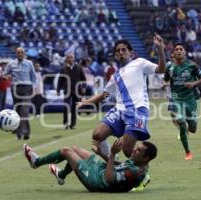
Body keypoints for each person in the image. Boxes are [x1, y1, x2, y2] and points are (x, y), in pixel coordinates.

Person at [77, 34, 166, 190]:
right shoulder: (115, 76)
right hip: (119, 110)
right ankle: (114, 161)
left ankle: (143, 174)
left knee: (128, 150)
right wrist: (87, 102)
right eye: (118, 51)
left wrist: (159, 49)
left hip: (137, 110)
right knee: (97, 135)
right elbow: (104, 95)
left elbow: (161, 69)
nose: (121, 52)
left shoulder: (139, 63)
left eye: (124, 49)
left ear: (130, 52)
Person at [23, 139, 157, 192]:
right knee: (75, 148)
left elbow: (109, 179)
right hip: (102, 171)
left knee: (65, 151)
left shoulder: (136, 172)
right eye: (136, 147)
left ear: (146, 158)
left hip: (97, 181)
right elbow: (121, 165)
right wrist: (102, 155)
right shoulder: (138, 162)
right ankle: (61, 175)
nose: (134, 150)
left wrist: (111, 154)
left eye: (138, 150)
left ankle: (36, 162)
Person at [164, 43, 201, 160]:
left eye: (181, 49)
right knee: (180, 122)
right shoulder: (169, 67)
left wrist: (193, 84)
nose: (179, 51)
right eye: (176, 49)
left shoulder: (192, 65)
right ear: (174, 53)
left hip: (190, 99)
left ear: (185, 52)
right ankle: (188, 152)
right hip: (176, 98)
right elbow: (166, 80)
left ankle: (188, 128)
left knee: (193, 128)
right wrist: (168, 92)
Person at [3, 47, 36, 140]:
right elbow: (4, 74)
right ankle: (18, 133)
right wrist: (6, 77)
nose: (20, 54)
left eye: (22, 52)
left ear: (24, 54)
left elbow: (33, 78)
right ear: (16, 54)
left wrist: (34, 88)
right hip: (16, 89)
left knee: (24, 111)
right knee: (17, 111)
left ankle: (26, 132)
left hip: (27, 88)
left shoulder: (29, 64)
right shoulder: (11, 64)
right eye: (18, 52)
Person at [56, 53, 86, 129]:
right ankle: (65, 124)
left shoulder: (79, 67)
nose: (70, 59)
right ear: (66, 59)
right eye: (68, 57)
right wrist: (58, 90)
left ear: (74, 58)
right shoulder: (63, 69)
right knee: (65, 106)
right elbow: (60, 80)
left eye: (71, 57)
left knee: (74, 108)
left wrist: (84, 87)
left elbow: (84, 79)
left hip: (76, 90)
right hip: (67, 90)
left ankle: (73, 124)